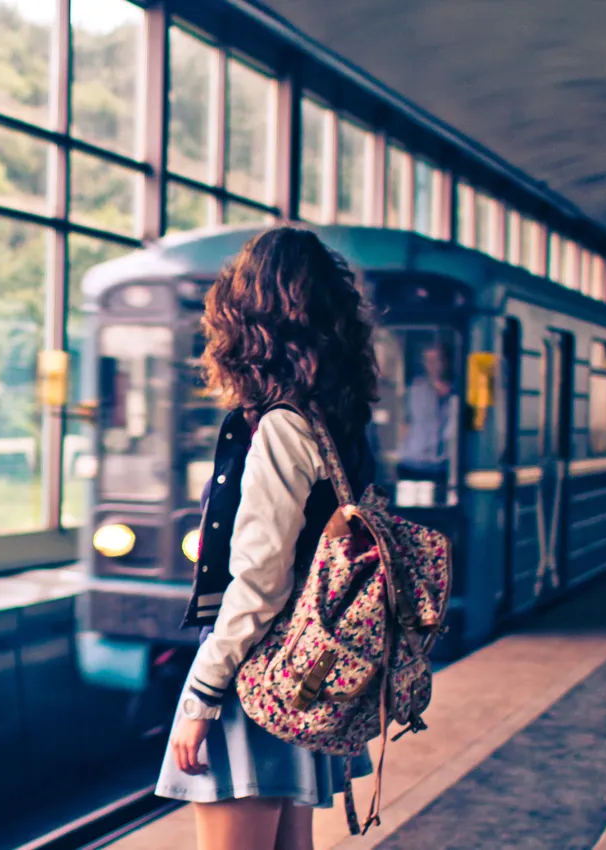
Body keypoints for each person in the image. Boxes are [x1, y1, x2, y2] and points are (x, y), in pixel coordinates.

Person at [154, 227, 381, 850]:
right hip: (302, 664)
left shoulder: (281, 427)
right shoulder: (336, 418)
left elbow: (259, 580)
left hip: (258, 672)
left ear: (248, 322)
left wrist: (201, 695)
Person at [396, 340, 455, 503]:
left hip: (442, 465)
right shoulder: (415, 389)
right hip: (412, 462)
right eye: (428, 360)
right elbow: (404, 422)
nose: (432, 365)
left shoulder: (456, 392)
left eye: (436, 360)